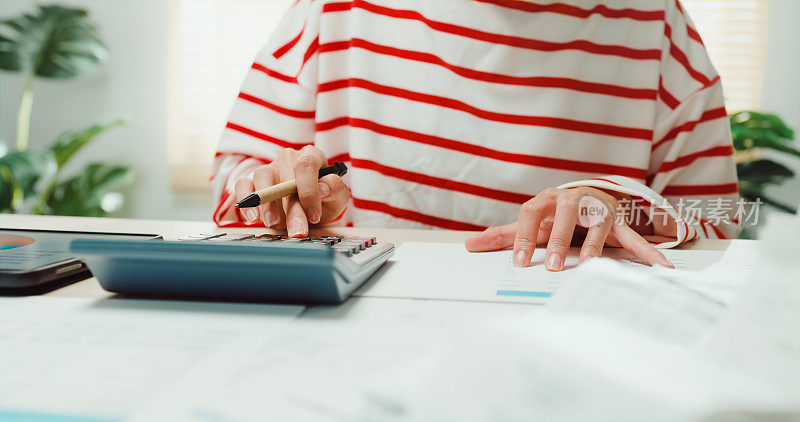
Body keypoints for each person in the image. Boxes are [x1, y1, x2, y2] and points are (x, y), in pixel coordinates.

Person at [212, 0, 739, 271]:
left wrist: (628, 214)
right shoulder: (340, 8)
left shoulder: (657, 25)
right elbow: (235, 177)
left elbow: (720, 226)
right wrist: (281, 198)